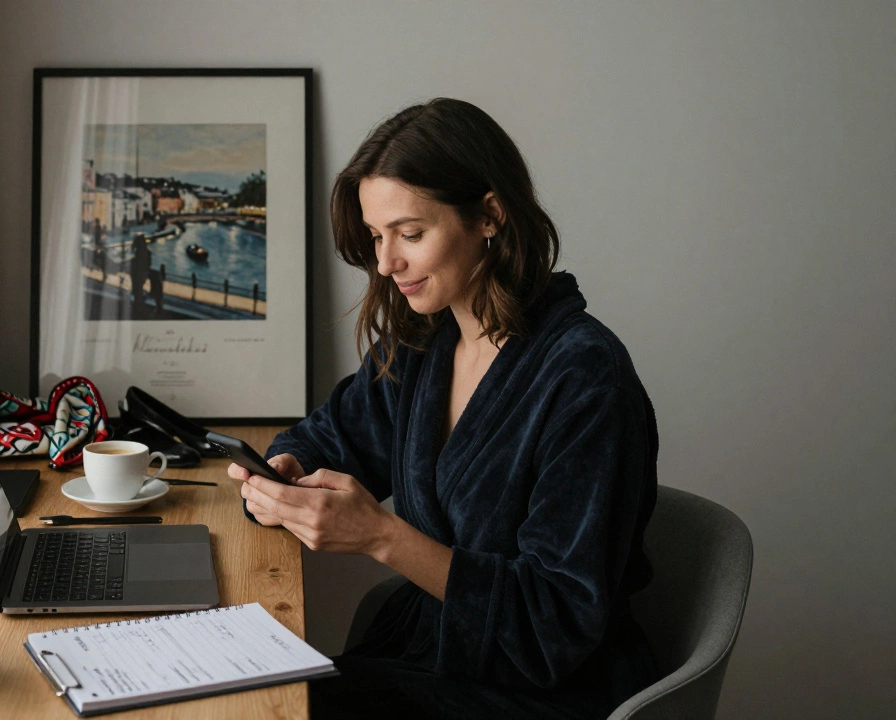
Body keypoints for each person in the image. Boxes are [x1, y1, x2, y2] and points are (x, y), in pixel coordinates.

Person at [229, 98, 660, 719]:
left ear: (489, 215)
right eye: (378, 237)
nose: (385, 263)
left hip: (543, 691)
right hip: (428, 658)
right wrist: (285, 471)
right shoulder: (425, 345)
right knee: (261, 695)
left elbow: (555, 627)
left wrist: (381, 537)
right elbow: (330, 436)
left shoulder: (586, 380)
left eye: (410, 234)